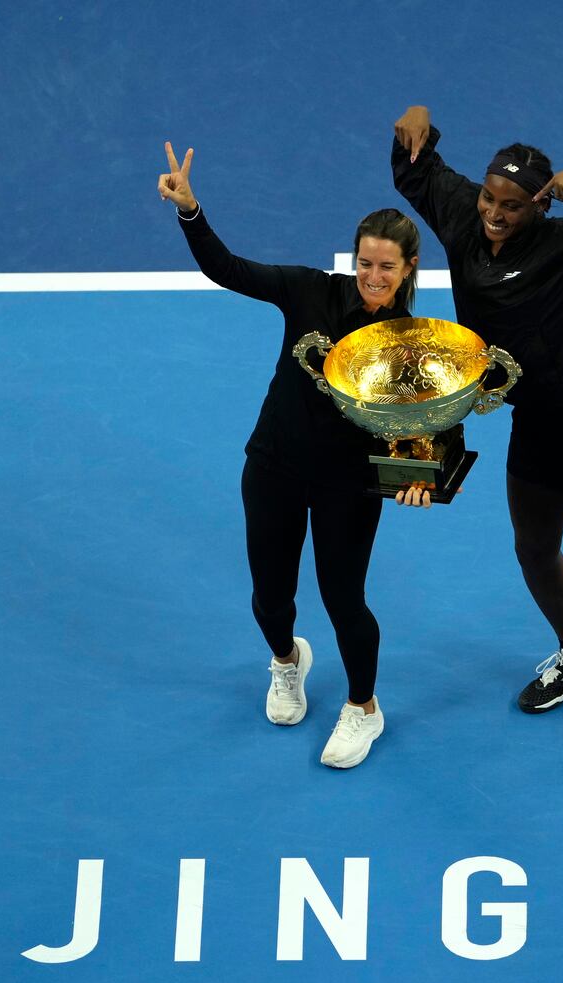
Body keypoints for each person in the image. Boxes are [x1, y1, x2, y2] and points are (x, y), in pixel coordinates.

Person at [390, 107, 563, 745]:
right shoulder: (467, 215)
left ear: (540, 206)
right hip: (533, 414)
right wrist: (415, 123)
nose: (494, 212)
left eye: (513, 206)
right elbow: (421, 171)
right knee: (534, 546)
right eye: (491, 197)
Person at [158, 141, 424, 769]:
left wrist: (418, 476)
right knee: (270, 597)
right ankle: (286, 660)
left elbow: (418, 427)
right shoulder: (308, 291)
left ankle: (363, 708)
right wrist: (191, 210)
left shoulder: (413, 345)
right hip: (275, 465)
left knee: (343, 599)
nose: (373, 277)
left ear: (409, 268)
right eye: (365, 263)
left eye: (387, 267)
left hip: (348, 486)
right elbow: (228, 269)